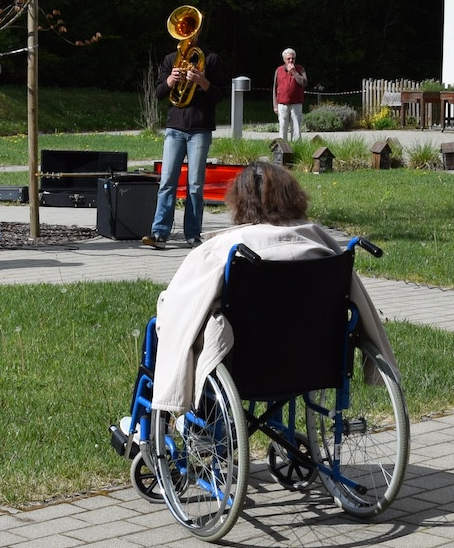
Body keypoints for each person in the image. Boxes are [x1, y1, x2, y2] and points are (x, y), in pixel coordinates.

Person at [148, 162, 394, 419]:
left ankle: (165, 422)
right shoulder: (321, 241)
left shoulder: (223, 249)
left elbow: (180, 305)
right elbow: (362, 308)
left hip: (245, 369)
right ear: (291, 197)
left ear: (240, 202)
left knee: (172, 323)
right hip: (313, 365)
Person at [145, 32, 222, 250]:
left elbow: (218, 95)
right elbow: (159, 92)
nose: (187, 36)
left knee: (195, 186)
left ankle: (193, 234)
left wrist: (202, 81)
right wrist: (170, 80)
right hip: (174, 128)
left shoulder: (211, 59)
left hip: (200, 129)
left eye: (191, 31)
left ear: (198, 33)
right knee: (167, 181)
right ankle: (159, 233)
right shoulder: (171, 60)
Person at [273, 49, 307, 146]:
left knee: (296, 126)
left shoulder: (300, 69)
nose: (291, 61)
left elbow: (304, 83)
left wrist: (294, 72)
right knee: (282, 126)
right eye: (288, 59)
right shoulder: (279, 70)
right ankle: (282, 148)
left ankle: (296, 148)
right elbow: (275, 88)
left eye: (293, 58)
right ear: (284, 59)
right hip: (282, 104)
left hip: (296, 103)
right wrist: (275, 105)